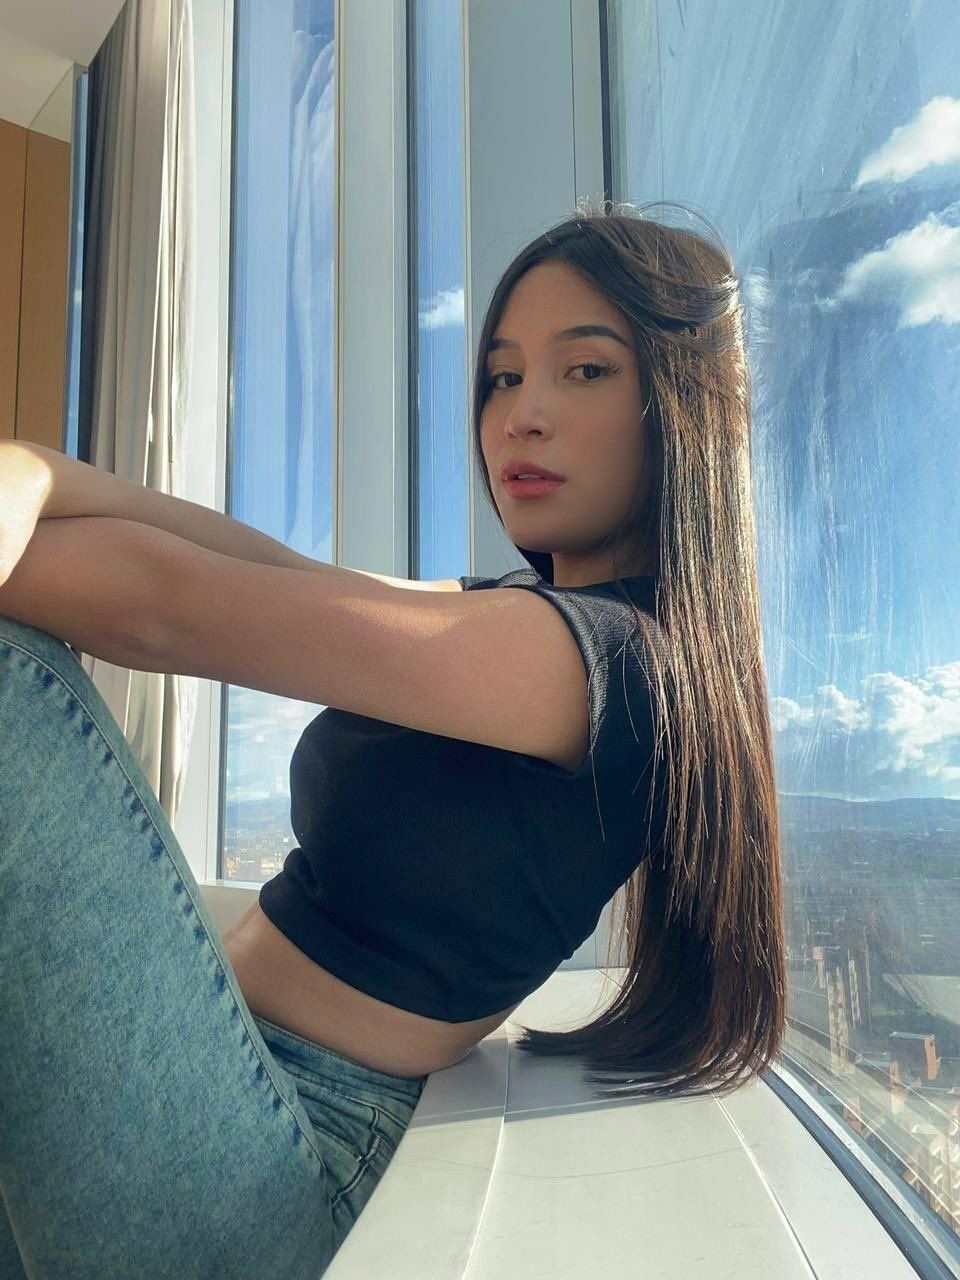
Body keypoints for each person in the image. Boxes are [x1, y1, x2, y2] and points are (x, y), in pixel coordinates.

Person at [0, 198, 786, 1278]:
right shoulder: (517, 615)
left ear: (682, 406)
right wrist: (35, 471)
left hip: (277, 1159)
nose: (521, 415)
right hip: (216, 1072)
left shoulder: (614, 661)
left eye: (585, 370)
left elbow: (168, 605)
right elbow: (263, 564)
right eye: (502, 377)